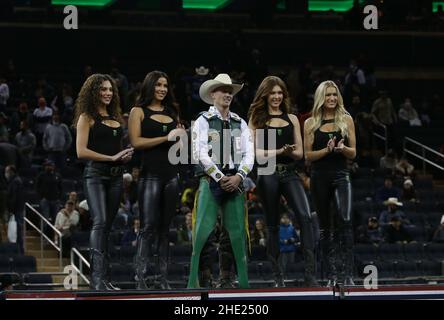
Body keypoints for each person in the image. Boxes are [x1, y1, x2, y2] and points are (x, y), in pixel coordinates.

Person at [248, 75, 318, 287]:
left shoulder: (292, 118)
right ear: (265, 95)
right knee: (272, 224)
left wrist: (288, 152)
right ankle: (278, 277)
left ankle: (310, 274)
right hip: (267, 171)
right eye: (273, 93)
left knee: (305, 217)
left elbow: (299, 153)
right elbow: (253, 153)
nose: (277, 96)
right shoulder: (256, 118)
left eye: (280, 92)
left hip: (289, 171)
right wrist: (279, 150)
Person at [188, 73, 254, 289]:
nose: (228, 94)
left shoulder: (240, 122)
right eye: (223, 90)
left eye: (230, 91)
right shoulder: (202, 121)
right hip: (210, 181)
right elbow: (200, 153)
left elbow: (249, 154)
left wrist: (239, 176)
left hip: (235, 180)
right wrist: (220, 176)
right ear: (212, 94)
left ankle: (239, 281)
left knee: (237, 234)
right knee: (201, 234)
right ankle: (196, 283)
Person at [74, 73, 134, 290]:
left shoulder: (116, 117)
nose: (108, 93)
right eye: (103, 90)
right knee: (99, 222)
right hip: (96, 175)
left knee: (107, 227)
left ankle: (105, 279)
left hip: (116, 176)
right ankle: (96, 279)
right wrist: (110, 158)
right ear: (93, 92)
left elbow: (113, 148)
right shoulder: (86, 117)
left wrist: (124, 154)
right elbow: (81, 152)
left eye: (110, 89)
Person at [128, 71, 184, 290]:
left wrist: (181, 136)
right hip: (149, 175)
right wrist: (166, 137)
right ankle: (140, 277)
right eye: (158, 85)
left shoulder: (173, 111)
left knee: (165, 229)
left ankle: (162, 278)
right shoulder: (137, 111)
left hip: (171, 175)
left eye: (165, 85)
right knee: (148, 226)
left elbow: (178, 148)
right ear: (150, 86)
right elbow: (136, 142)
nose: (162, 89)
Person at [304, 80, 357, 286]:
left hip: (341, 173)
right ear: (320, 98)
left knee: (344, 219)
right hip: (319, 176)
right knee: (325, 227)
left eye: (334, 94)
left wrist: (342, 149)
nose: (332, 98)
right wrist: (326, 150)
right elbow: (308, 156)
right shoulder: (310, 123)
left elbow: (354, 153)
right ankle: (331, 274)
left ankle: (348, 273)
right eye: (328, 95)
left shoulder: (346, 119)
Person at [5, 165, 25, 254]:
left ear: (11, 172)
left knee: (18, 231)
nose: (6, 174)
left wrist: (11, 209)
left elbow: (14, 197)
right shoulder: (15, 181)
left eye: (7, 171)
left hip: (17, 209)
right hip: (17, 209)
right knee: (17, 231)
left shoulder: (16, 181)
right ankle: (18, 250)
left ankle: (19, 251)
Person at [278, 213, 299, 279]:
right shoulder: (279, 228)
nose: (285, 219)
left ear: (289, 219)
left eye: (287, 218)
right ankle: (283, 278)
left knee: (291, 264)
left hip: (291, 249)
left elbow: (297, 238)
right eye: (284, 218)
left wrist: (293, 239)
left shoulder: (292, 228)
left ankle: (290, 278)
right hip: (283, 250)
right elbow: (276, 239)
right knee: (283, 265)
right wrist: (283, 241)